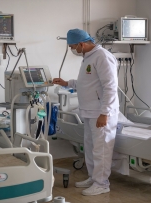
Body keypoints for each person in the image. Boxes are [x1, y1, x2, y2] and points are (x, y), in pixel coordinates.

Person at [53, 29, 119, 196]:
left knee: (101, 149)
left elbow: (110, 87)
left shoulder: (102, 57)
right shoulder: (88, 58)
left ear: (81, 44)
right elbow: (86, 83)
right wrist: (67, 83)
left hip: (101, 113)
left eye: (72, 46)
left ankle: (102, 183)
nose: (71, 50)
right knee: (90, 148)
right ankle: (93, 177)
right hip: (89, 112)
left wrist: (105, 113)